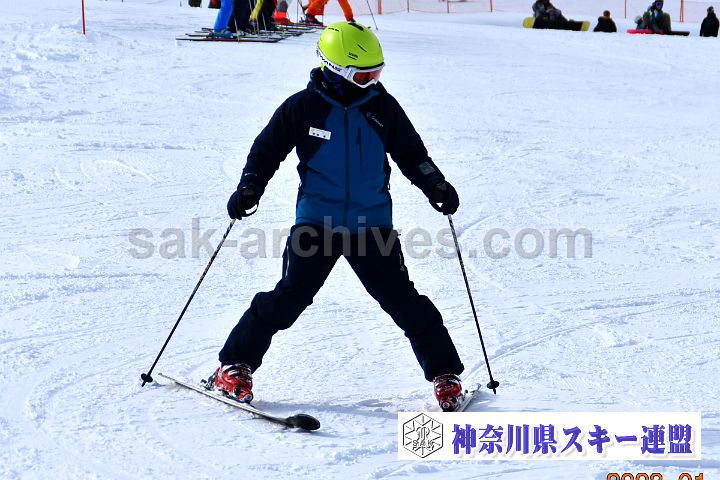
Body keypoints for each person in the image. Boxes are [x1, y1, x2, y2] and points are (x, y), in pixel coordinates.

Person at [210, 21, 466, 411]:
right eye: (365, 75)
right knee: (288, 297)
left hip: (372, 225)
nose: (373, 81)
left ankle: (445, 375)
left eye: (377, 73)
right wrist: (250, 187)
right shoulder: (303, 107)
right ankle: (234, 365)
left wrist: (436, 184)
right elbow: (265, 152)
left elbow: (413, 155)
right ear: (337, 69)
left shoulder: (382, 107)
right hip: (317, 222)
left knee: (404, 301)